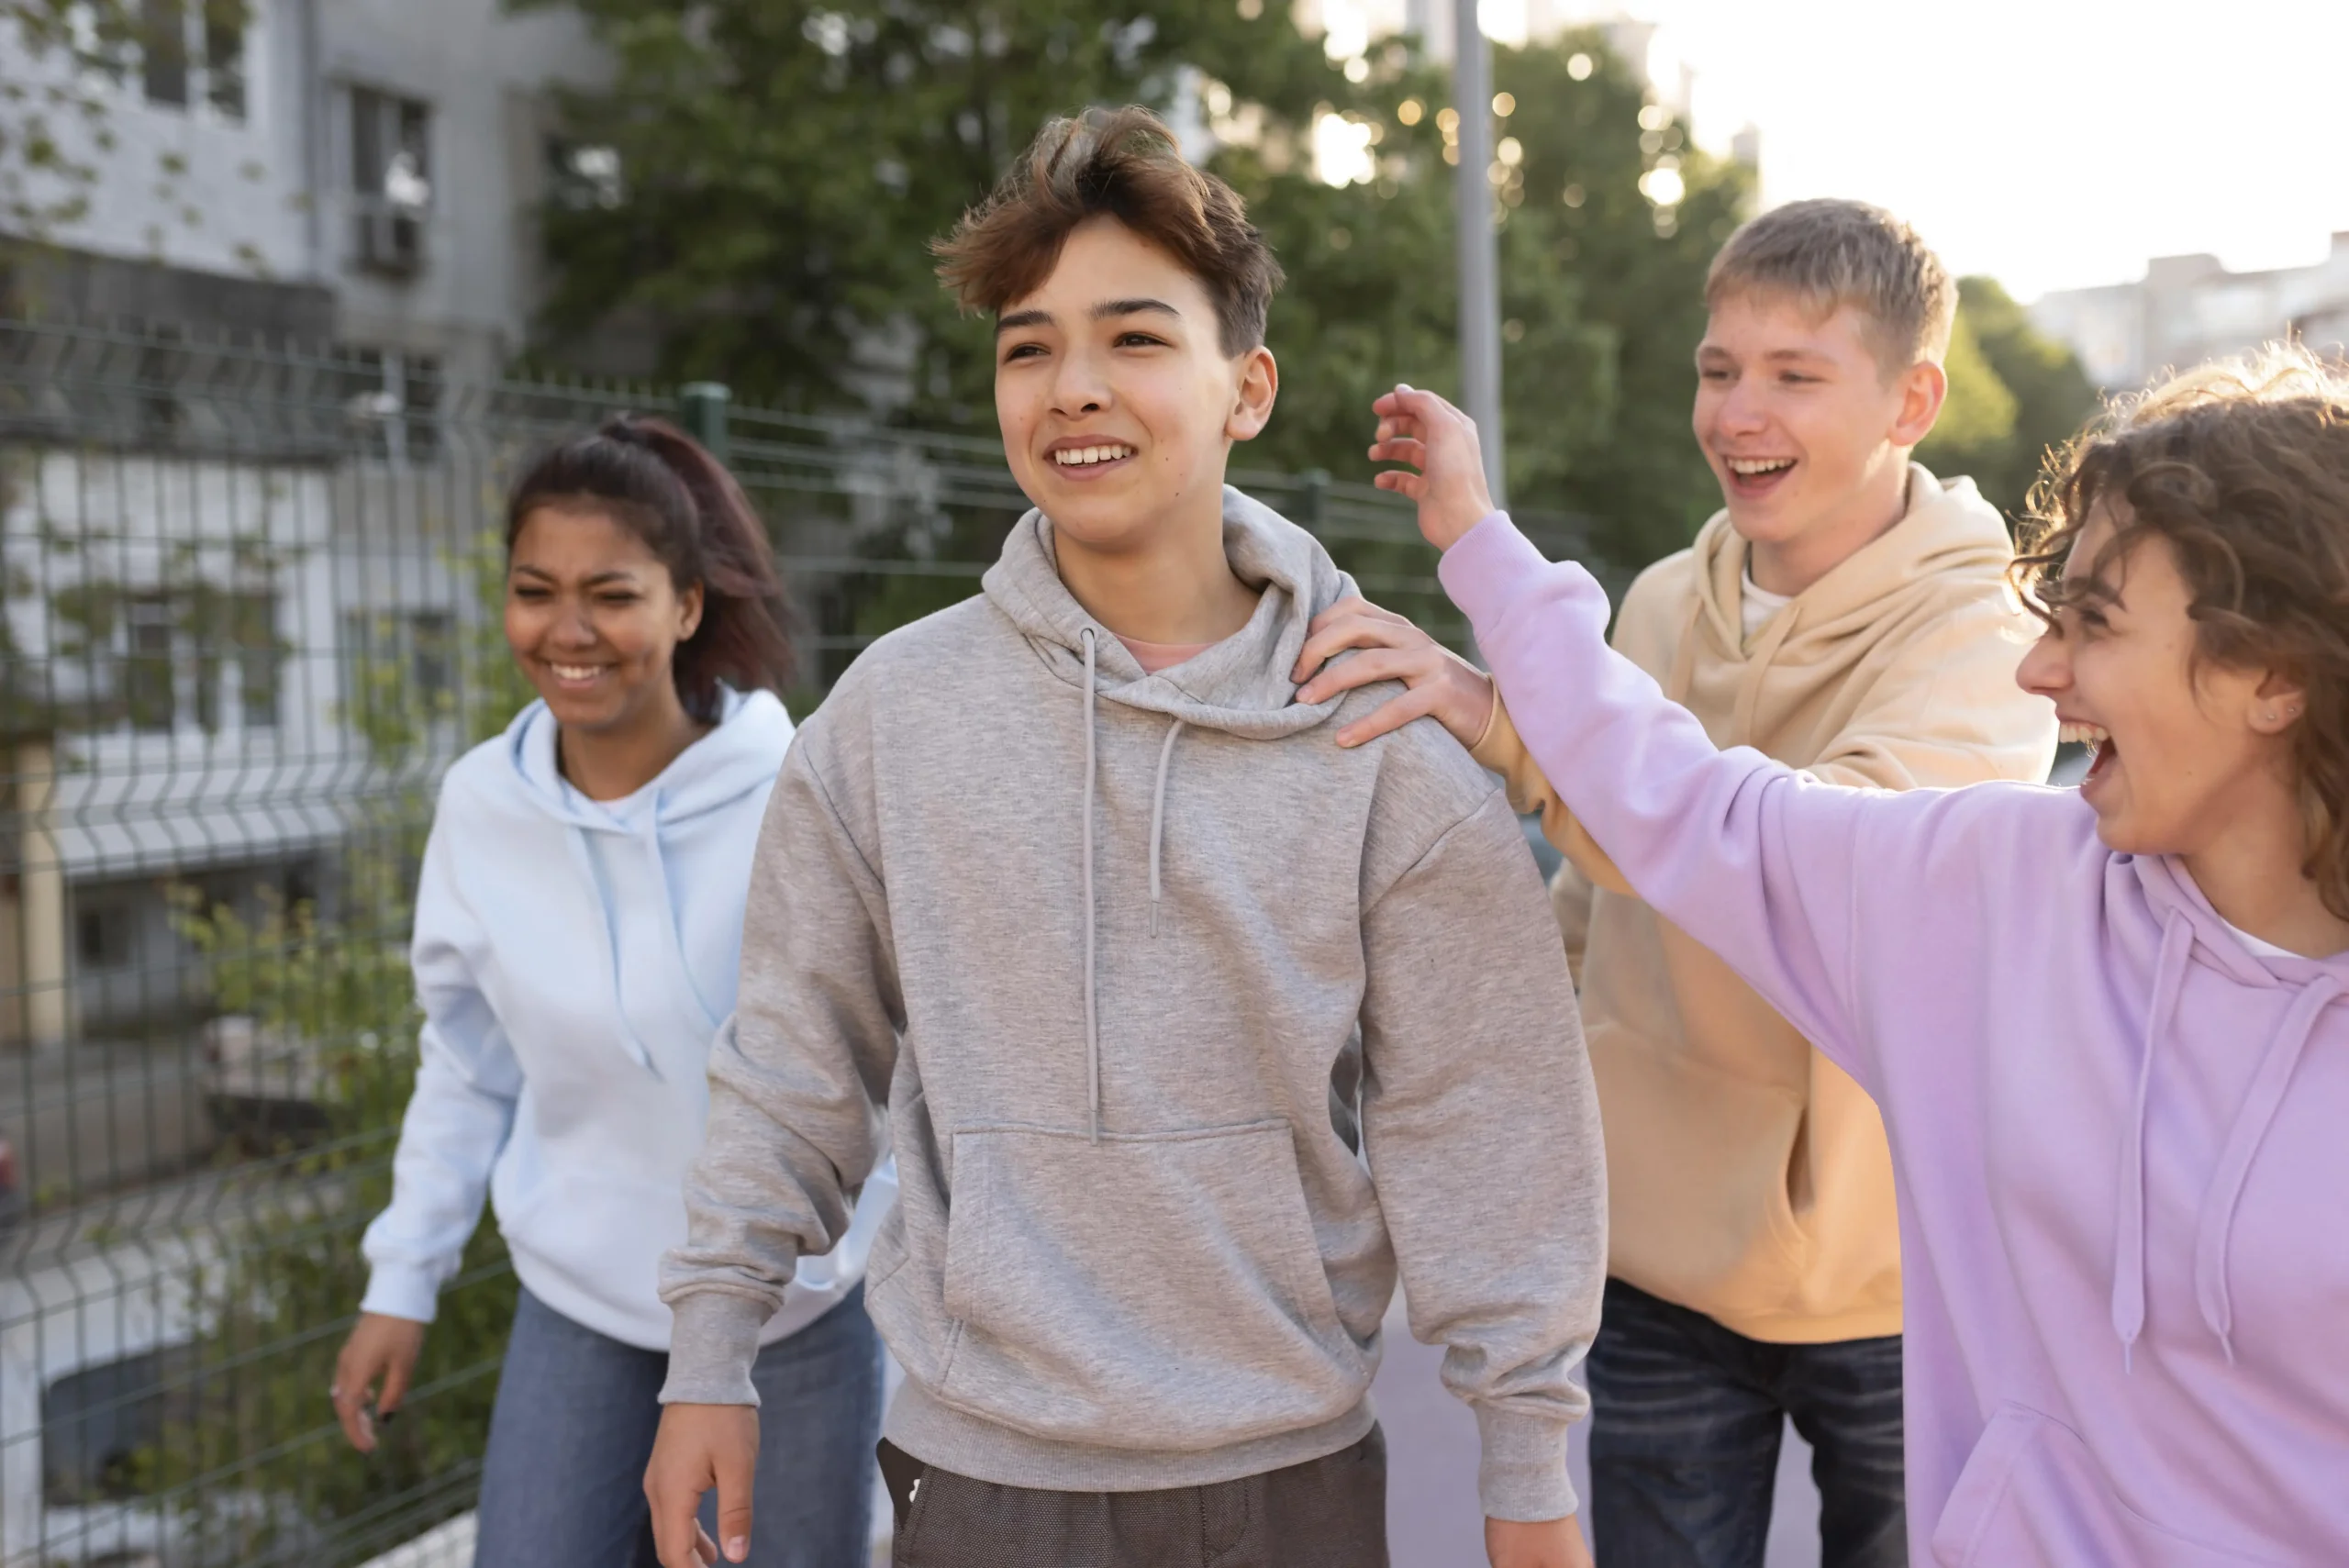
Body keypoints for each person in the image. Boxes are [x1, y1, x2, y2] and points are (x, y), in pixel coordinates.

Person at [642, 107, 1608, 1568]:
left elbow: (1485, 1119)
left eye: (1136, 339)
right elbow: (793, 1060)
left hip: (1289, 1479)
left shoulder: (1376, 736)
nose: (1072, 389)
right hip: (980, 1477)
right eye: (1028, 347)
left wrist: (1527, 1468)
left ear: (1248, 389)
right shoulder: (894, 715)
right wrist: (712, 1348)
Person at [1349, 347, 2349, 1565]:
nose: (2040, 672)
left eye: (2094, 624)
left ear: (2275, 673)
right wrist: (1477, 542)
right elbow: (1688, 803)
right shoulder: (1991, 891)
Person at [1298, 199, 2054, 1566]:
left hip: (1908, 1280)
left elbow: (1811, 869)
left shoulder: (1986, 632)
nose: (1739, 410)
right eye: (1720, 368)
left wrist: (1508, 711)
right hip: (1656, 1264)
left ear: (1914, 399)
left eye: (1795, 375)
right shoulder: (1648, 608)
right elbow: (1582, 927)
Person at [330, 416, 892, 1568]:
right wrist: (404, 1278)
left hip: (791, 1312)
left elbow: (884, 1064)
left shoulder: (801, 796)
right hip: (584, 1304)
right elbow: (468, 1063)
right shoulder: (482, 804)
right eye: (535, 590)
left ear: (688, 604)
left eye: (612, 593)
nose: (568, 630)